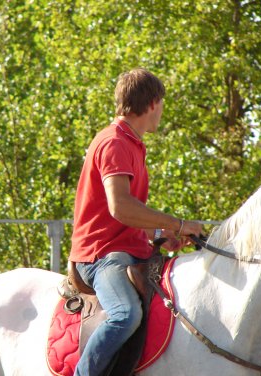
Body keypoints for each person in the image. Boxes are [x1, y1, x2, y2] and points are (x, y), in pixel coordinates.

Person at [69, 68, 203, 375]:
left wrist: (160, 234)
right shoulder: (114, 143)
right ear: (153, 103)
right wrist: (179, 224)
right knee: (125, 315)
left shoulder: (131, 143)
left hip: (124, 249)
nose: (162, 114)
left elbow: (126, 216)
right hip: (100, 256)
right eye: (162, 106)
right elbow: (120, 207)